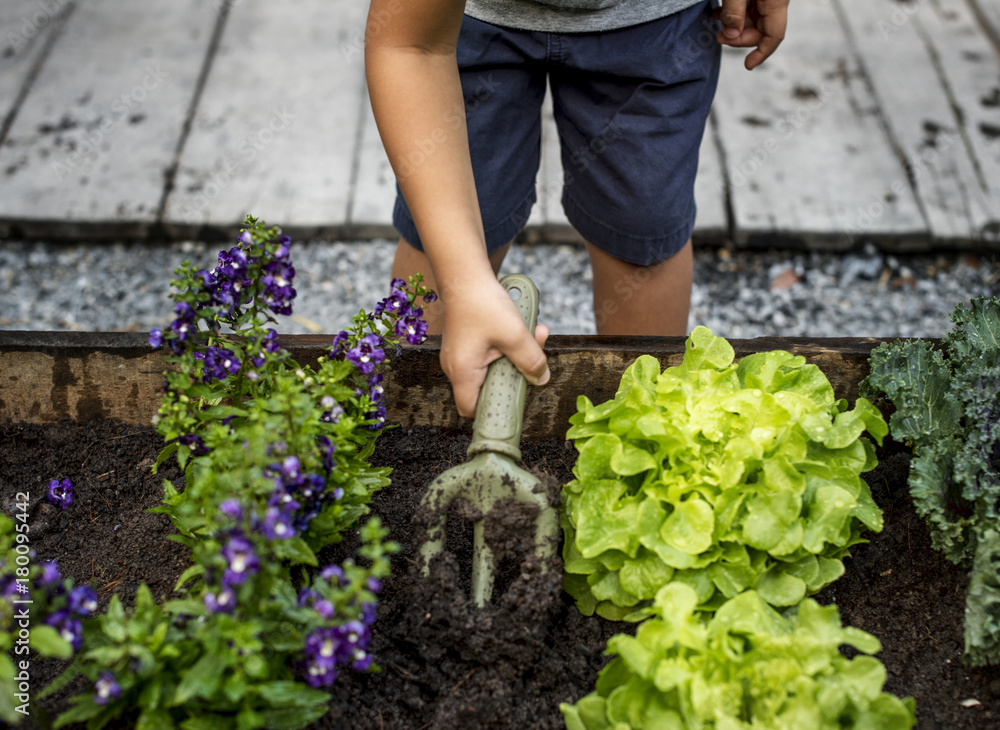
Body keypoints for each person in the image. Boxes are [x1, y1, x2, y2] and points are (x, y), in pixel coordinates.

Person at [365, 0, 789, 418]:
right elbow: (409, 47)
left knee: (641, 231)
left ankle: (641, 437)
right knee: (443, 231)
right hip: (461, 20)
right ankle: (409, 422)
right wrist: (466, 287)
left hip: (655, 22)